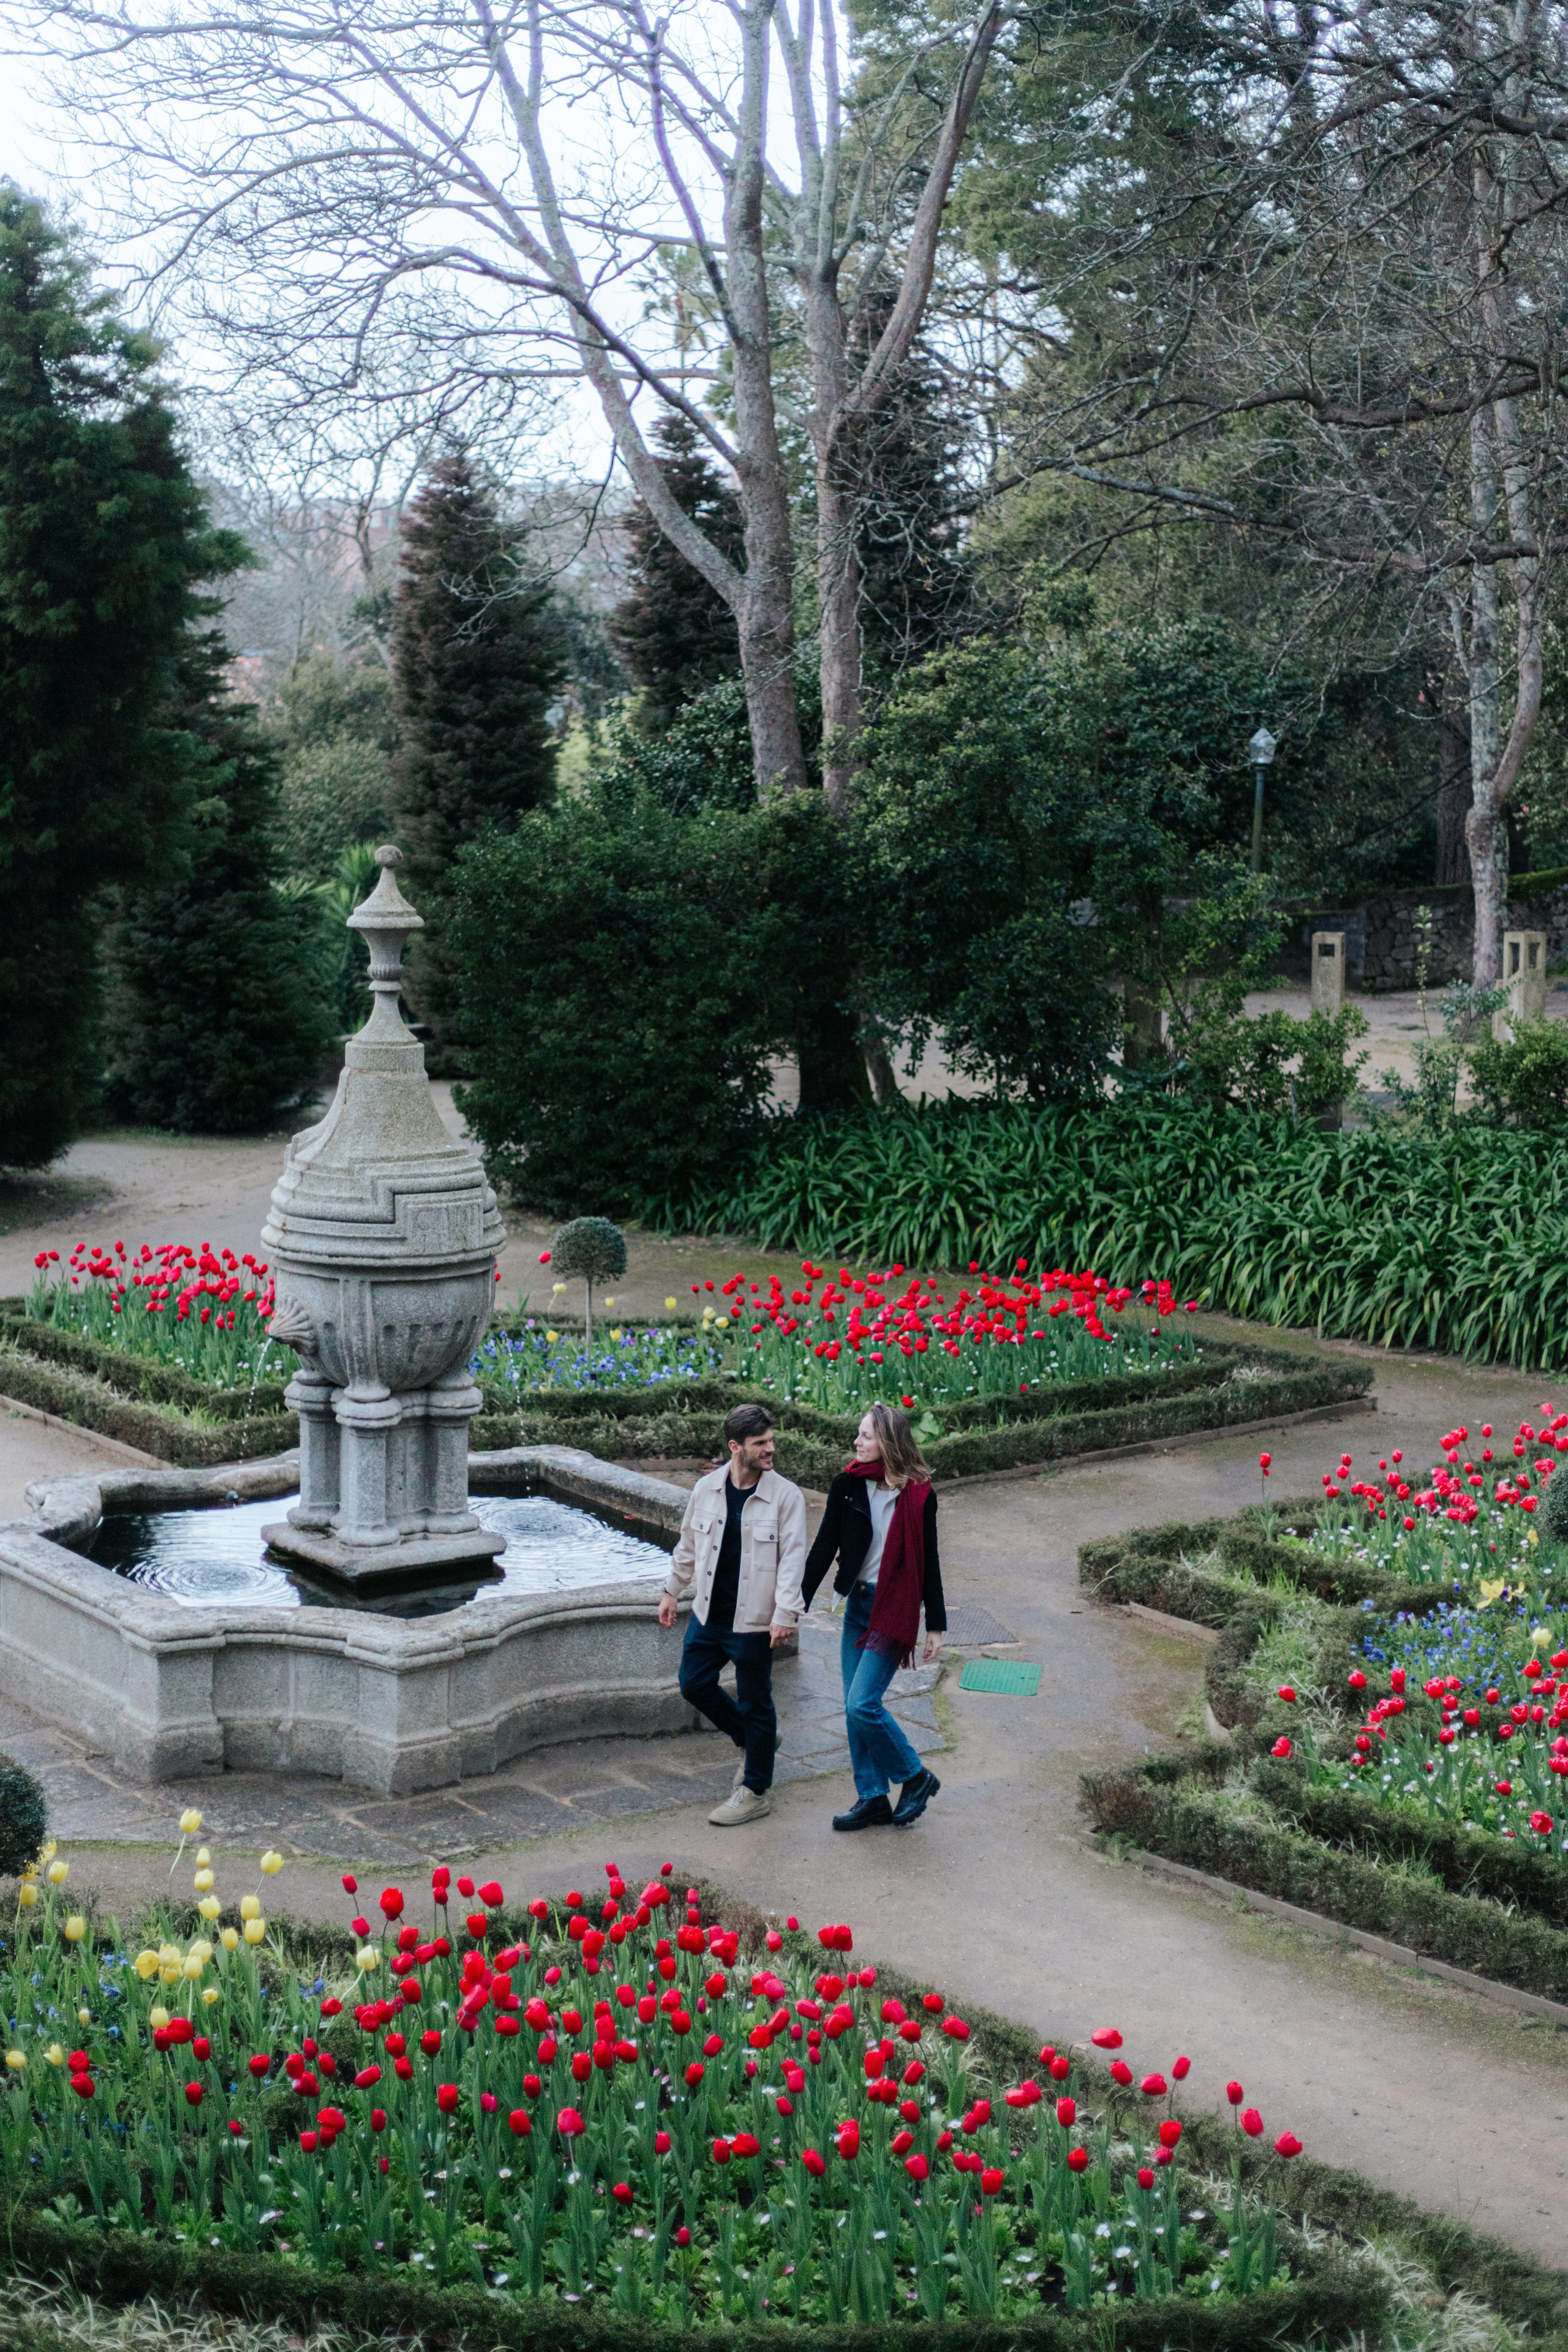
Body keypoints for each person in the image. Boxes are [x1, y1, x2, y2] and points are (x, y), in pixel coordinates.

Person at [658, 1401, 807, 1825]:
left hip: (756, 1621)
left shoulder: (787, 1497)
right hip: (709, 1614)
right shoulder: (707, 1489)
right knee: (693, 1684)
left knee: (757, 1701)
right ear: (735, 1447)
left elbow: (793, 1560)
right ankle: (754, 1741)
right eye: (761, 1443)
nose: (770, 1449)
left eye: (771, 1441)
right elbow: (688, 1544)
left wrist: (786, 1614)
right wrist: (672, 1590)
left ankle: (756, 1789)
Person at [802, 1400, 944, 1831]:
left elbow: (930, 1562)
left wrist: (935, 1624)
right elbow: (825, 1545)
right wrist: (796, 1603)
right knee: (852, 1707)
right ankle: (873, 1798)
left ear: (887, 1441)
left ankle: (915, 1776)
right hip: (859, 1604)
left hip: (893, 1608)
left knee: (863, 1704)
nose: (856, 1442)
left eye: (865, 1435)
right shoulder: (848, 1484)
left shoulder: (919, 1495)